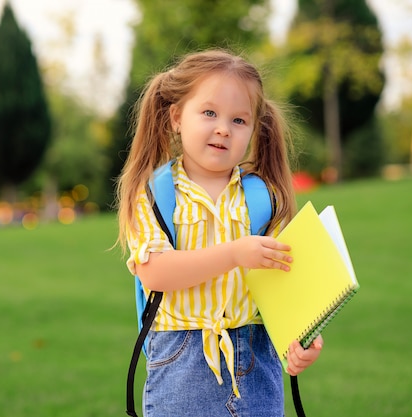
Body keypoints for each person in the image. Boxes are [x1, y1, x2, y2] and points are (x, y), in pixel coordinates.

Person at [116, 49, 323, 416]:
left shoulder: (264, 199)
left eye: (239, 120)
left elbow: (285, 281)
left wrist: (303, 335)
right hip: (181, 364)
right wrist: (233, 254)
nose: (223, 128)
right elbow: (156, 271)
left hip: (257, 362)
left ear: (254, 130)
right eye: (209, 113)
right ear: (177, 117)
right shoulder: (153, 194)